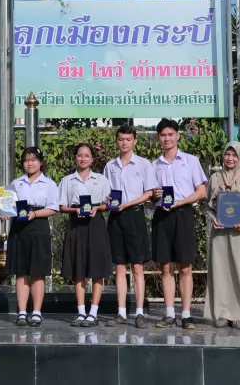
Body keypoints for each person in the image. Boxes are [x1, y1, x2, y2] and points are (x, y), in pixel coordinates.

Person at [151, 119, 207, 330]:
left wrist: (180, 202)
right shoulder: (154, 165)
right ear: (158, 138)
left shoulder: (191, 161)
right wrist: (154, 195)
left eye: (170, 134)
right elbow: (149, 195)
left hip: (183, 214)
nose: (167, 138)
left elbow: (201, 192)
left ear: (178, 136)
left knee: (185, 266)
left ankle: (186, 314)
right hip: (162, 215)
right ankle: (169, 314)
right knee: (165, 266)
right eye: (163, 135)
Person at [204, 142, 240, 329]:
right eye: (227, 154)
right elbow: (206, 205)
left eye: (234, 155)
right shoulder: (215, 178)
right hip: (219, 232)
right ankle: (222, 313)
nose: (230, 158)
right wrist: (212, 218)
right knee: (221, 271)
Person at [103, 125, 157, 329]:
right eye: (121, 139)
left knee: (137, 266)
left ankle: (140, 313)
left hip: (135, 215)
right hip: (116, 217)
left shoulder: (143, 164)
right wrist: (108, 200)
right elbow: (106, 193)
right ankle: (121, 312)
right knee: (119, 266)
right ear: (116, 141)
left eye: (128, 139)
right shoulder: (110, 166)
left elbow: (149, 193)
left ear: (135, 141)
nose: (124, 143)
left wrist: (128, 203)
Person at [4, 147, 59, 327]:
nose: (30, 163)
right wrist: (5, 213)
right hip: (19, 227)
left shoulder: (49, 184)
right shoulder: (16, 183)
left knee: (38, 272)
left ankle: (36, 312)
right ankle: (21, 312)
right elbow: (8, 206)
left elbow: (53, 208)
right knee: (21, 272)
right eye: (27, 160)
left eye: (34, 159)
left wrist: (35, 214)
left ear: (40, 162)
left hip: (39, 226)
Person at [59, 142, 112, 327]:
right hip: (76, 224)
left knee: (97, 268)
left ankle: (93, 313)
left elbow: (109, 203)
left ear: (92, 159)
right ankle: (81, 312)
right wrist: (74, 210)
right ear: (75, 158)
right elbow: (61, 206)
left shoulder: (101, 179)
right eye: (80, 155)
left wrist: (99, 208)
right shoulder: (67, 180)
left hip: (96, 224)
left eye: (87, 155)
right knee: (78, 268)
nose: (83, 158)